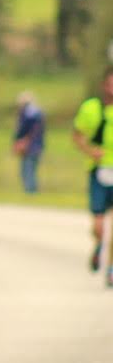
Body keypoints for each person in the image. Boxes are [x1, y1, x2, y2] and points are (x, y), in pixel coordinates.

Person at [72, 68, 113, 273]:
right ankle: (98, 244)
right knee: (99, 225)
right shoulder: (91, 108)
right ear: (103, 86)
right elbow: (77, 135)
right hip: (98, 172)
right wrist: (90, 151)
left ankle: (111, 267)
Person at [13, 92, 46, 194]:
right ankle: (32, 190)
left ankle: (30, 191)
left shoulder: (27, 114)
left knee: (27, 169)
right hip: (37, 145)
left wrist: (19, 141)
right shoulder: (38, 113)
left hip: (29, 146)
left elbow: (21, 130)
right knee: (32, 169)